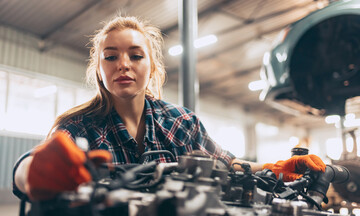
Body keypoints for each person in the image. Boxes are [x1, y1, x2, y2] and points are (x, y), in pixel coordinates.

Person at [13, 15, 326, 201]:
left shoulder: (181, 122)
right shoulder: (78, 126)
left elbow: (228, 164)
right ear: (99, 71)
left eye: (136, 55)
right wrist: (32, 172)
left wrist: (277, 168)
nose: (123, 64)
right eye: (111, 56)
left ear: (151, 66)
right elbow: (26, 171)